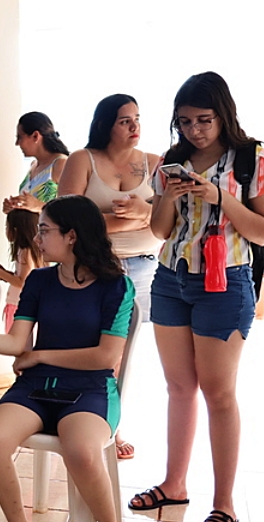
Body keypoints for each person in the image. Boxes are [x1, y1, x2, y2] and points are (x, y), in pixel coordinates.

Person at [130, 72, 264, 522]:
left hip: (225, 281)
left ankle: (224, 504)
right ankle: (174, 485)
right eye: (185, 121)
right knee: (178, 387)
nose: (195, 130)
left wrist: (220, 197)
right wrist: (168, 199)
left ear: (223, 114)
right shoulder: (172, 163)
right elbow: (158, 231)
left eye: (204, 120)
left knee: (218, 393)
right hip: (172, 279)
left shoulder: (252, 159)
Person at [0, 195, 134, 522]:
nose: (38, 238)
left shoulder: (115, 286)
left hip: (90, 389)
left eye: (44, 229)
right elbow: (18, 342)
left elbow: (105, 355)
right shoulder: (39, 280)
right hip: (37, 388)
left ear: (71, 236)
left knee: (81, 451)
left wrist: (41, 355)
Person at [57, 94, 162, 461]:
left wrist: (144, 212)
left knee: (126, 354)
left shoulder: (153, 163)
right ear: (105, 125)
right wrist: (132, 217)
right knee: (98, 353)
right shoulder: (82, 159)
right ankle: (91, 421)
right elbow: (65, 216)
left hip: (146, 266)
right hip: (97, 267)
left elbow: (171, 215)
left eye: (137, 118)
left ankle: (110, 423)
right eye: (124, 121)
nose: (134, 127)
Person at [0, 209, 45, 332]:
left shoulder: (25, 251)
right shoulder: (32, 251)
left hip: (18, 305)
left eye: (6, 226)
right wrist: (6, 274)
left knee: (15, 342)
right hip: (20, 304)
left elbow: (23, 282)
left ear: (15, 229)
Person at [2, 111, 69, 214]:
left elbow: (72, 210)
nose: (17, 143)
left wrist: (38, 206)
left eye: (20, 137)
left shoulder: (61, 164)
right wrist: (13, 208)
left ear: (35, 136)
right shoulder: (33, 165)